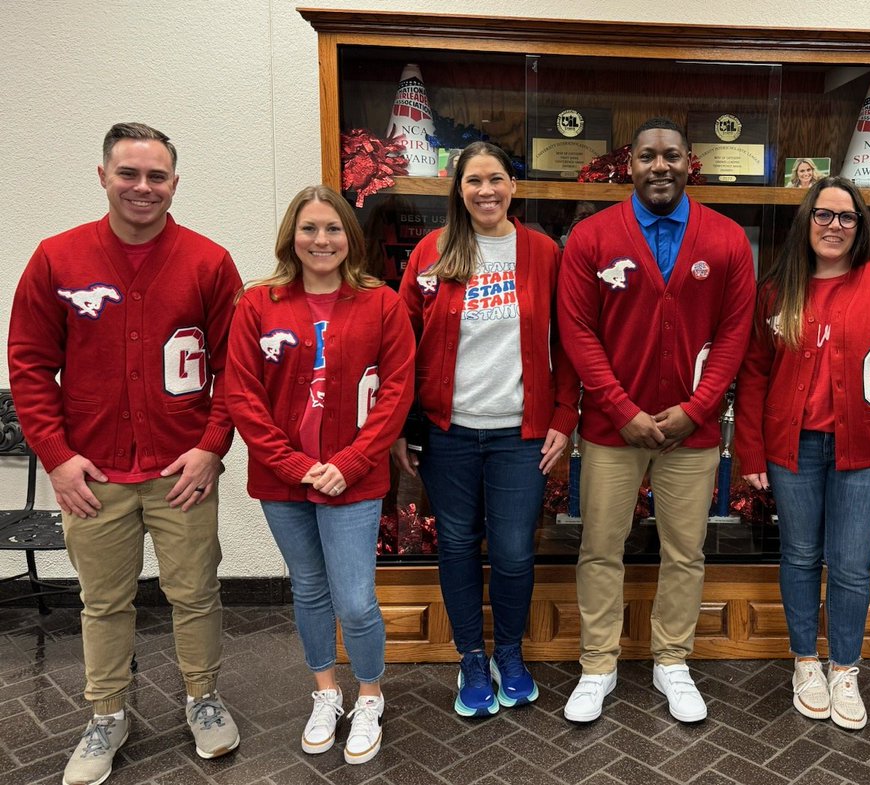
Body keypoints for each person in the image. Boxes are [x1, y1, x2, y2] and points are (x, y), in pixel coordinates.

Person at [7, 122, 243, 785]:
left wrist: (209, 446)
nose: (143, 187)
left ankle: (203, 696)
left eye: (157, 175)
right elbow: (28, 363)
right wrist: (55, 456)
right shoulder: (58, 259)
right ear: (103, 175)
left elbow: (237, 369)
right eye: (130, 173)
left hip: (181, 472)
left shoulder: (209, 262)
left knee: (194, 593)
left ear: (175, 181)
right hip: (94, 471)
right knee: (103, 600)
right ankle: (107, 713)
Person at [558, 118, 755, 724]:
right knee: (599, 548)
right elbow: (577, 334)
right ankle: (599, 665)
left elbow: (733, 337)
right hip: (612, 432)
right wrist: (623, 411)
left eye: (671, 155)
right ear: (630, 164)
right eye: (648, 156)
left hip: (689, 434)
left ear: (689, 161)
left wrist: (695, 411)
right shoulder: (590, 238)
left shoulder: (726, 241)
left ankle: (672, 662)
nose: (660, 166)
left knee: (685, 553)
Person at [225, 185, 414, 764]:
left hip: (353, 480)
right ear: (292, 237)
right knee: (308, 588)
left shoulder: (382, 303)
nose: (321, 240)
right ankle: (325, 693)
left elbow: (398, 392)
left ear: (349, 239)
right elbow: (241, 392)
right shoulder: (259, 303)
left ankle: (370, 695)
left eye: (333, 229)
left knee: (355, 599)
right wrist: (297, 466)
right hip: (284, 482)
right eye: (309, 229)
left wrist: (352, 463)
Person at [396, 141, 579, 717]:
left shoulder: (544, 252)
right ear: (458, 189)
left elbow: (569, 343)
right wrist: (402, 425)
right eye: (473, 181)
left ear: (513, 186)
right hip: (448, 433)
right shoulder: (433, 251)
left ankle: (511, 653)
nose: (486, 191)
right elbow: (401, 341)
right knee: (454, 546)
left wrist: (563, 418)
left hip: (518, 437)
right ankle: (471, 659)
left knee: (513, 553)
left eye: (496, 178)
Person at [736, 177, 870, 730]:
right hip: (792, 449)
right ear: (807, 221)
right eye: (824, 215)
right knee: (798, 555)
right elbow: (752, 377)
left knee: (849, 565)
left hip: (862, 451)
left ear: (860, 226)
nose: (835, 226)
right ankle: (805, 662)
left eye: (847, 217)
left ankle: (844, 668)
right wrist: (750, 452)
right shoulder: (777, 290)